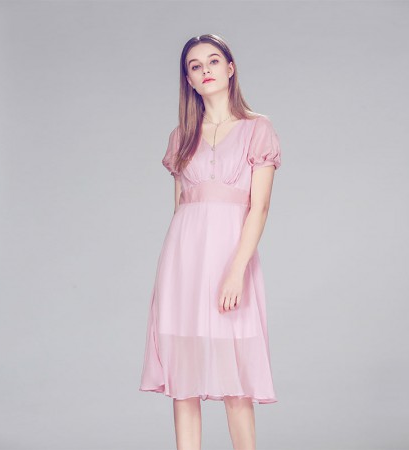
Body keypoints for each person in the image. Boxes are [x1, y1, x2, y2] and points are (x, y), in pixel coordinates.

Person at [139, 33, 282, 450]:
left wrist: (236, 272)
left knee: (236, 383)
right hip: (183, 266)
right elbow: (181, 208)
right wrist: (171, 275)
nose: (206, 70)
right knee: (183, 384)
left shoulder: (258, 129)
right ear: (188, 79)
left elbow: (259, 208)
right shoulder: (181, 136)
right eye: (195, 66)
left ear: (230, 68)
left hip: (230, 263)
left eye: (214, 61)